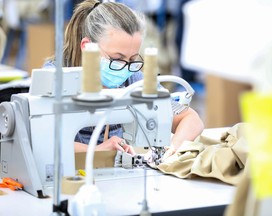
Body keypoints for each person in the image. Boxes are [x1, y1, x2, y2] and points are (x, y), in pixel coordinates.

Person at [45, 0, 204, 160]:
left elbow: (191, 119)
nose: (126, 67)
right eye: (117, 58)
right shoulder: (54, 79)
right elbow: (42, 140)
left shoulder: (133, 79)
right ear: (87, 46)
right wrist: (96, 149)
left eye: (132, 59)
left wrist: (171, 149)